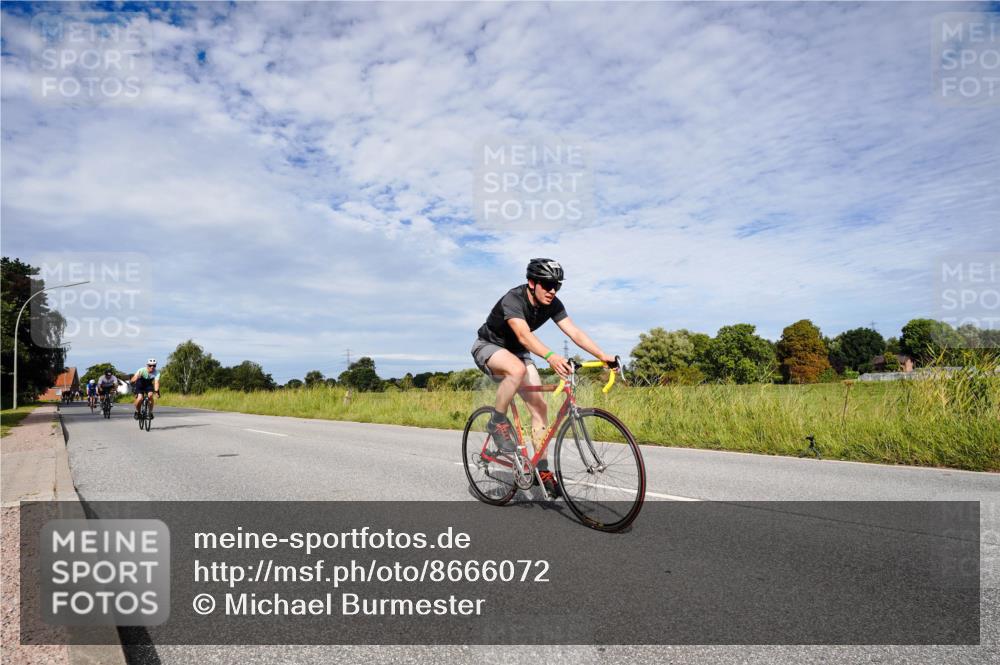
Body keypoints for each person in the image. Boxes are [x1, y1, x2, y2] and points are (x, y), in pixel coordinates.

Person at [471, 258, 617, 497]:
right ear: (532, 283)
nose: (552, 291)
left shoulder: (552, 304)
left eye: (557, 286)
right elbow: (523, 335)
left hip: (518, 353)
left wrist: (602, 356)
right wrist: (551, 357)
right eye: (547, 285)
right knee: (516, 370)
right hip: (488, 346)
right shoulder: (513, 299)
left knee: (540, 407)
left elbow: (574, 332)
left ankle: (542, 469)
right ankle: (497, 421)